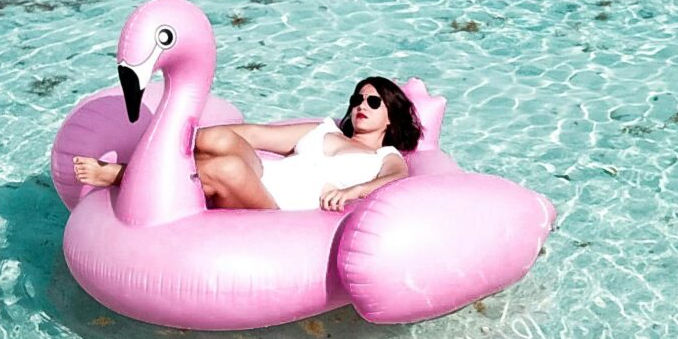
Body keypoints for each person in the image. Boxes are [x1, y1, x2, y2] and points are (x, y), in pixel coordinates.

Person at [73, 76, 422, 212]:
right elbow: (255, 135)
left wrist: (354, 191)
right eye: (357, 98)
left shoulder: (383, 157)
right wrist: (179, 135)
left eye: (373, 102)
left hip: (279, 204)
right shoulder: (323, 129)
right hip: (262, 174)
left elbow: (396, 179)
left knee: (224, 167)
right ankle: (151, 161)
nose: (361, 106)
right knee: (217, 139)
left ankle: (123, 176)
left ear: (390, 116)